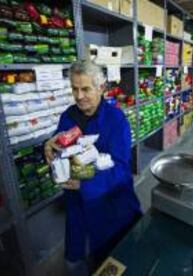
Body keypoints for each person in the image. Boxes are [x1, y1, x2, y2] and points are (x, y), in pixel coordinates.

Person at [44, 60, 142, 275]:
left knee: (110, 262)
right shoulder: (68, 116)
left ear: (101, 87)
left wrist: (85, 182)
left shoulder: (116, 120)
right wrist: (50, 147)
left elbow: (122, 171)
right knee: (74, 261)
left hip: (111, 206)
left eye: (85, 89)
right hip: (77, 207)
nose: (79, 96)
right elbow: (61, 152)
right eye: (74, 89)